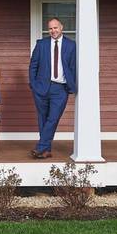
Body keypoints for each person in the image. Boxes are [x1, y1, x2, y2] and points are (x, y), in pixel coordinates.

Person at [28, 18, 76, 159]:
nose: (53, 31)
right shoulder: (41, 44)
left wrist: (71, 85)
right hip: (41, 87)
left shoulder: (71, 45)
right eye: (50, 28)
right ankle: (46, 150)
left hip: (60, 88)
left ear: (61, 27)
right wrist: (34, 84)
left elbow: (73, 67)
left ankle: (40, 147)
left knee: (53, 118)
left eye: (56, 28)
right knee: (42, 118)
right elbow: (33, 65)